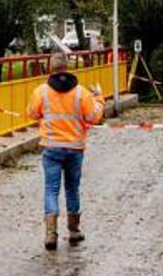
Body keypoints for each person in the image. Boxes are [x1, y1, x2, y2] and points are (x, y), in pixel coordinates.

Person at [26, 51, 106, 250]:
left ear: (50, 68)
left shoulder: (41, 92)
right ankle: (74, 230)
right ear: (68, 67)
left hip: (51, 148)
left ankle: (50, 234)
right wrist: (100, 99)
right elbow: (94, 117)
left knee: (51, 190)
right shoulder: (81, 93)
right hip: (74, 149)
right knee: (72, 188)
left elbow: (32, 113)